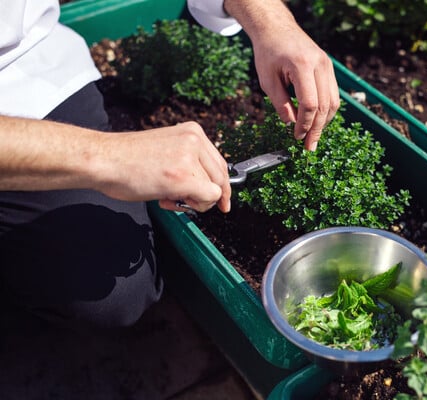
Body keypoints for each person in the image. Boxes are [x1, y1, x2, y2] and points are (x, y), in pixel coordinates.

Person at [0, 0, 339, 328]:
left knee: (112, 286)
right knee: (87, 281)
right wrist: (105, 156)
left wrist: (270, 20)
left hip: (32, 65)